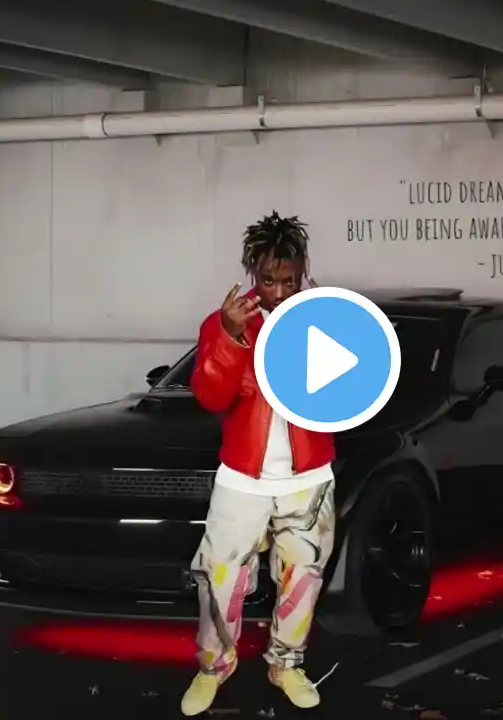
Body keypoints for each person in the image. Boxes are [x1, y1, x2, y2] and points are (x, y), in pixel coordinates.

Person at [180, 212, 337, 716]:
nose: (279, 291)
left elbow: (347, 394)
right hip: (242, 477)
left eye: (289, 280)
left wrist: (330, 331)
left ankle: (286, 664)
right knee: (219, 577)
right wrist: (230, 337)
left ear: (302, 273)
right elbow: (210, 396)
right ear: (253, 273)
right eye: (269, 280)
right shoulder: (226, 322)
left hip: (309, 476)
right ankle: (213, 668)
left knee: (302, 575)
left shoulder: (319, 318)